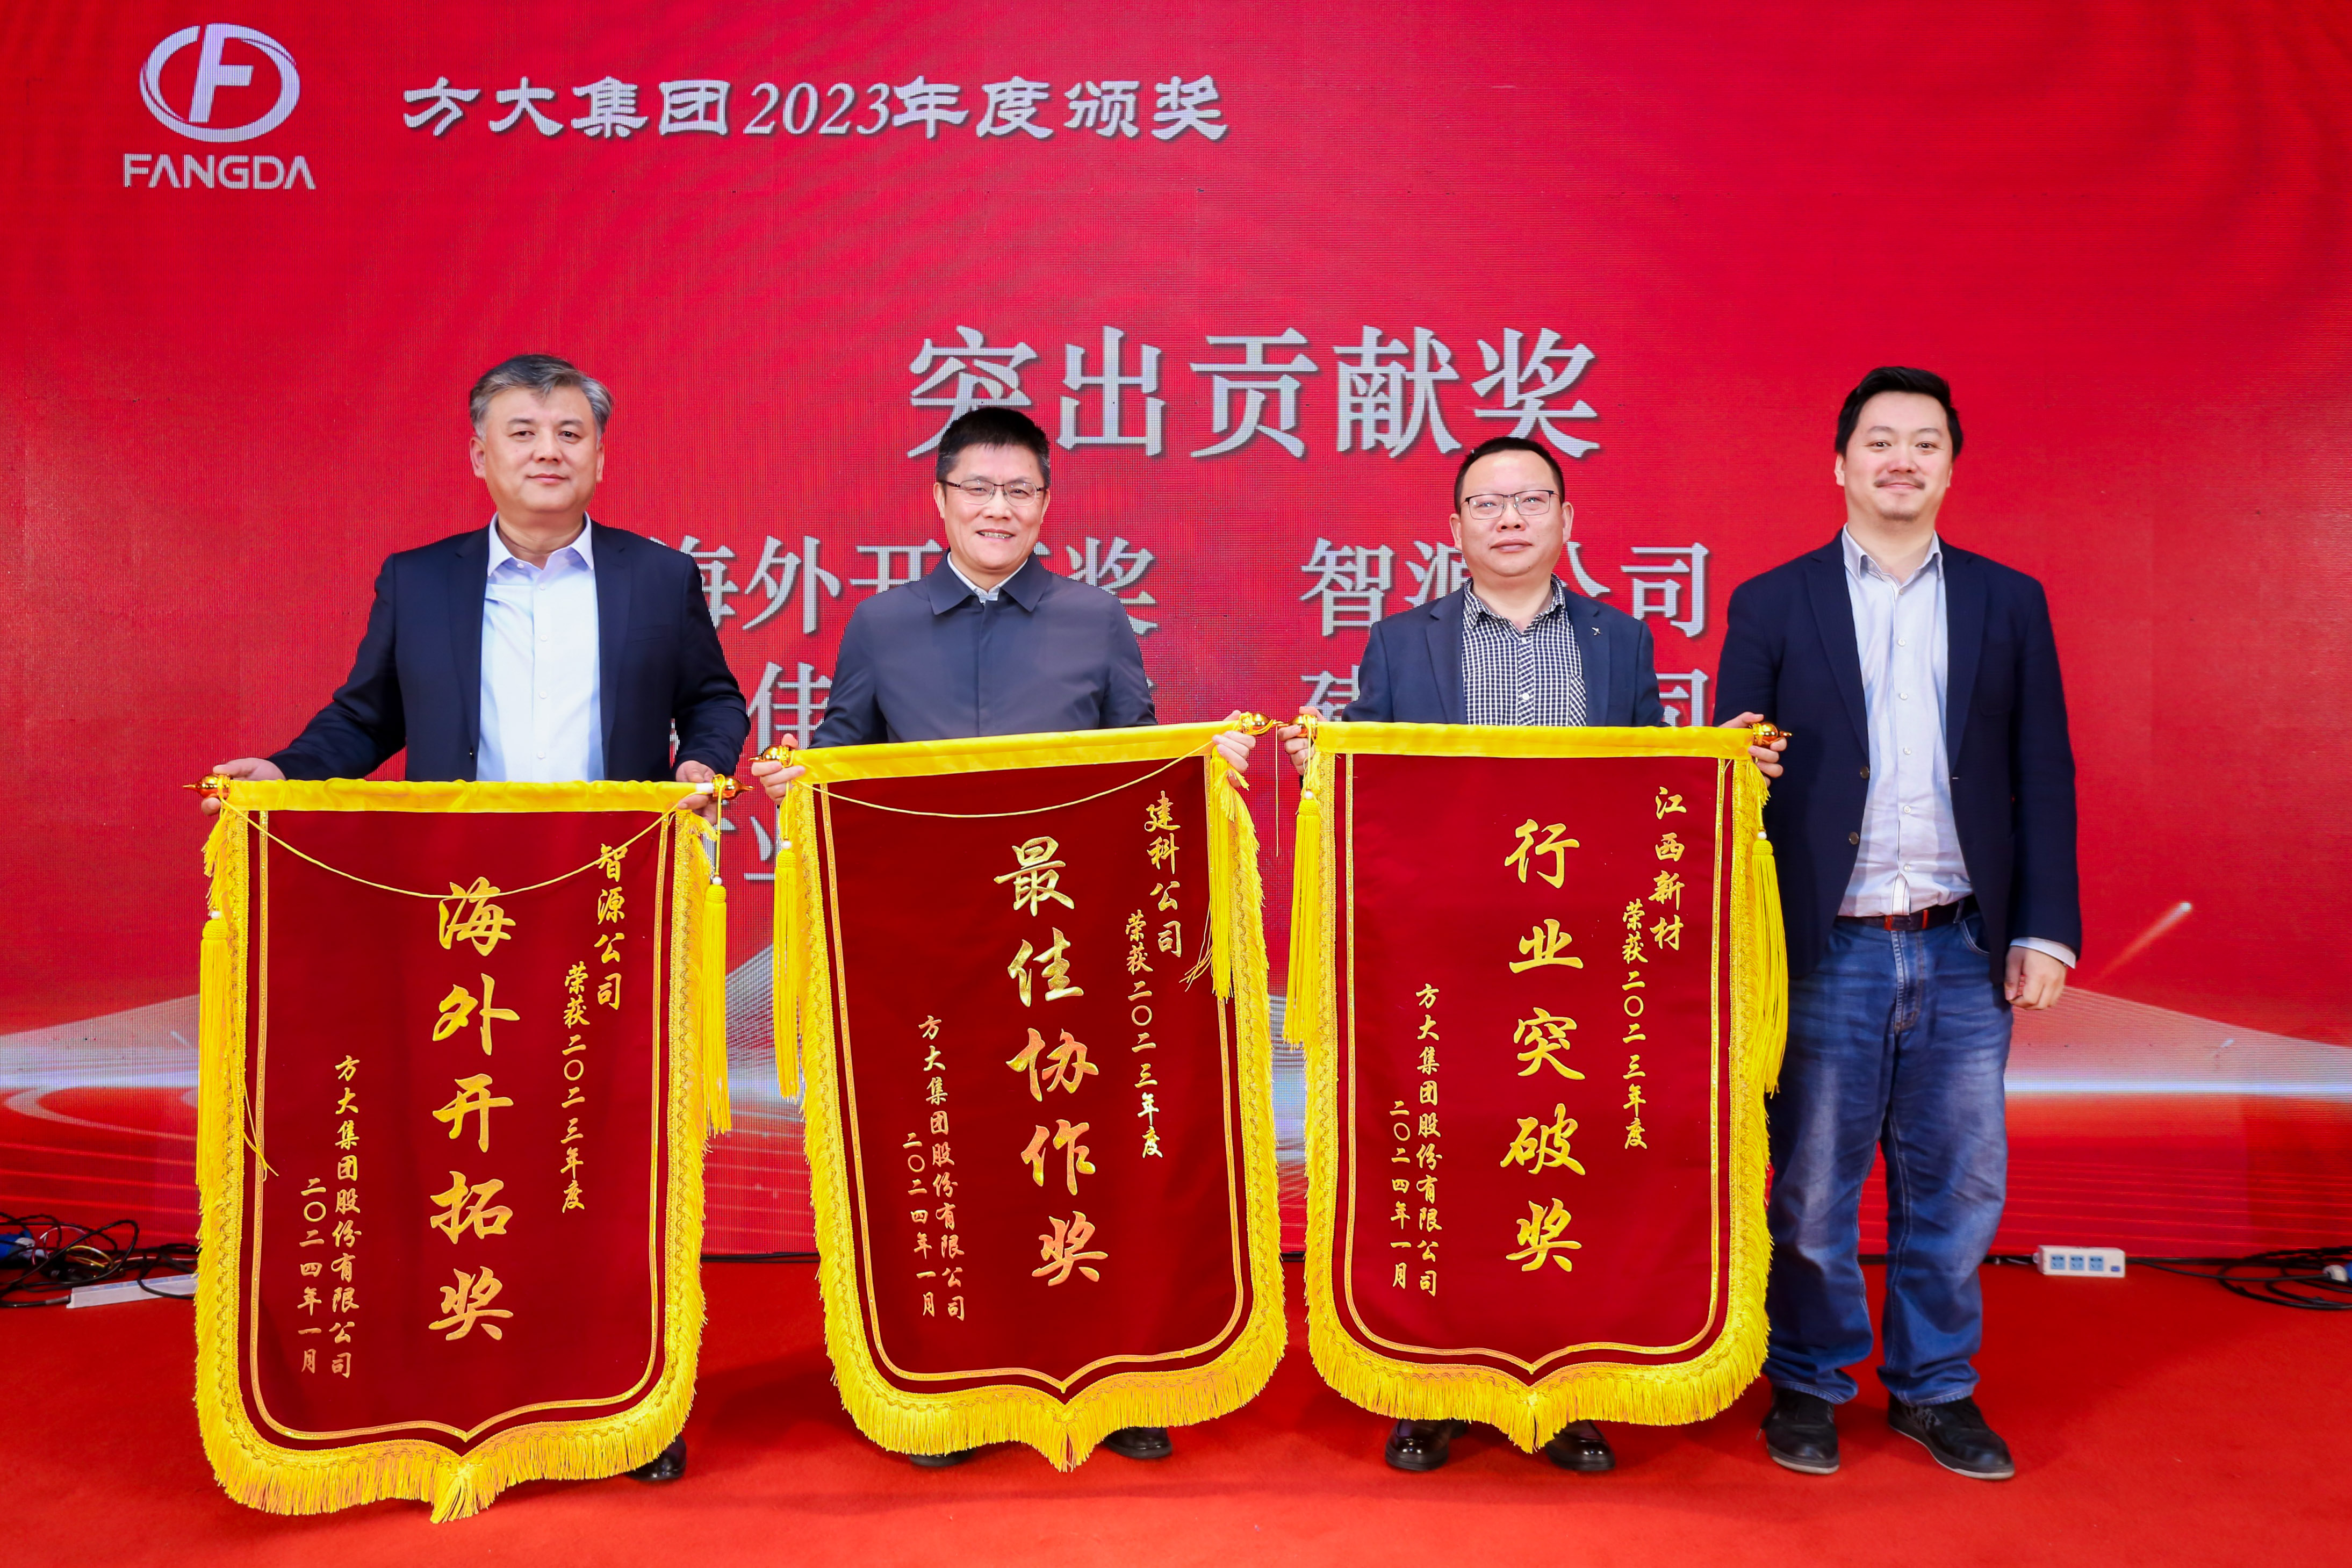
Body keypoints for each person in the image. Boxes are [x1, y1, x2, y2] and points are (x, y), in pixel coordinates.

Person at [203, 353, 749, 1486]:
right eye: (523, 432)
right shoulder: (421, 581)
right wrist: (287, 772)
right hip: (461, 916)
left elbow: (712, 695)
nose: (548, 450)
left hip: (607, 905)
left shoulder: (658, 577)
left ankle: (622, 1395)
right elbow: (368, 716)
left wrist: (701, 762)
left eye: (569, 432)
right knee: (472, 1138)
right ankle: (462, 1363)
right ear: (479, 455)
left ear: (600, 455)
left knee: (603, 1149)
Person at [752, 405, 1253, 1467]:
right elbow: (844, 750)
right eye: (976, 489)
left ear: (1045, 503)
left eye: (1018, 490)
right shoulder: (882, 624)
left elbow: (1138, 759)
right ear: (938, 500)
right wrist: (801, 778)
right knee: (958, 1154)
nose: (997, 509)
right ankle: (953, 1386)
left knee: (1088, 1151)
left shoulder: (1094, 616)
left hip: (1068, 952)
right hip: (930, 956)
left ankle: (1118, 1376)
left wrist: (1202, 770)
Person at [1281, 434, 1785, 1476]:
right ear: (1453, 527)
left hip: (1576, 966)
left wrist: (1722, 760)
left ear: (1565, 520)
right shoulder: (1401, 642)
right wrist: (1319, 764)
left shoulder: (1619, 641)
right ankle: (1431, 1387)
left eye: (1529, 500)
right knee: (1449, 1160)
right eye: (1486, 503)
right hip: (1441, 964)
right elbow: (1371, 792)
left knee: (1571, 1162)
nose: (1508, 519)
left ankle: (1568, 1391)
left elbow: (1648, 783)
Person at [1713, 366, 2078, 1483]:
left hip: (1961, 941)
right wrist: (1739, 760)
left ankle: (1933, 1388)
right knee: (1810, 1190)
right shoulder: (1772, 601)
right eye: (1879, 441)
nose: (1900, 460)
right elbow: (1728, 766)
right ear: (1839, 464)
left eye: (1924, 443)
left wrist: (2044, 929)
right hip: (1826, 943)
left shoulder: (2006, 600)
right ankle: (1808, 1380)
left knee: (1957, 1186)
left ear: (1950, 468)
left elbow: (2041, 771)